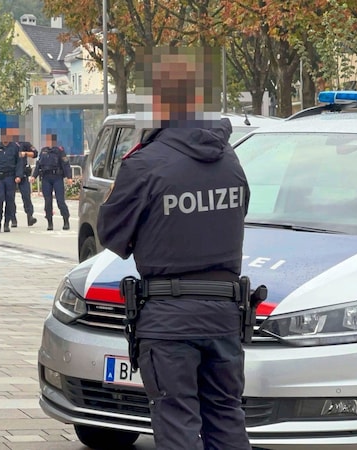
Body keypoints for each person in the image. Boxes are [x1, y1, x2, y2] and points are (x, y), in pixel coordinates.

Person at [96, 46, 251, 450]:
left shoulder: (145, 163)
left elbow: (111, 235)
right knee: (227, 419)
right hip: (224, 315)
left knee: (177, 424)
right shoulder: (231, 159)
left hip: (168, 320)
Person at [0, 128, 24, 233]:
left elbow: (20, 163)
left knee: (10, 201)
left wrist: (18, 176)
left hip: (11, 177)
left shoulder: (15, 147)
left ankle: (7, 223)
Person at [30, 135, 72, 231]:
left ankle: (66, 220)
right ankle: (49, 222)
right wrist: (33, 176)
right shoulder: (43, 151)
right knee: (47, 202)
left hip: (57, 178)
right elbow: (38, 165)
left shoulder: (59, 151)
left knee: (60, 201)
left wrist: (69, 177)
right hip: (46, 178)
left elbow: (66, 164)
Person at [11, 141, 38, 227]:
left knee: (26, 196)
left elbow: (35, 153)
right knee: (10, 197)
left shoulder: (23, 144)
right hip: (11, 174)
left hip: (23, 174)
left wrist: (25, 153)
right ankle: (13, 218)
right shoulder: (6, 145)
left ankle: (30, 216)